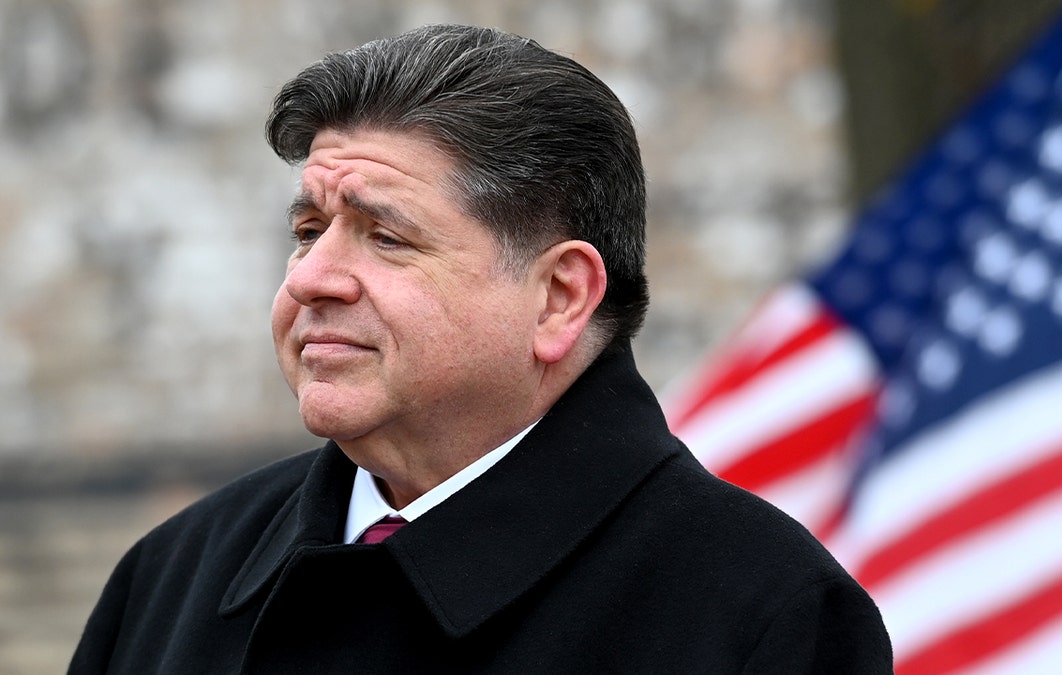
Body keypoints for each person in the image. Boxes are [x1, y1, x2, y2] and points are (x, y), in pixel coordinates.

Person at [69, 24, 892, 674]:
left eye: (385, 236)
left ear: (559, 297)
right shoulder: (173, 577)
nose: (313, 277)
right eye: (309, 230)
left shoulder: (760, 613)